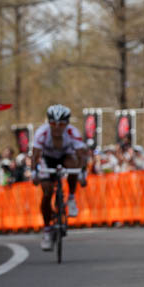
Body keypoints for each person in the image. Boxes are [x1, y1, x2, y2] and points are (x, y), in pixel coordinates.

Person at [31, 104, 88, 251]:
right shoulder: (42, 133)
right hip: (47, 159)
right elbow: (35, 155)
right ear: (48, 122)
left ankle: (71, 197)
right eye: (53, 123)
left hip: (65, 157)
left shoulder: (72, 132)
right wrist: (34, 173)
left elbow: (82, 154)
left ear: (67, 124)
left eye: (61, 124)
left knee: (73, 164)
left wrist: (82, 172)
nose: (57, 128)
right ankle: (48, 231)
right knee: (47, 192)